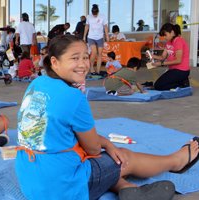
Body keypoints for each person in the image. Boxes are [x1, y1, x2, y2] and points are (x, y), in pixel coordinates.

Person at [15, 35, 199, 200]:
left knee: (99, 156)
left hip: (30, 179)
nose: (83, 64)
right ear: (54, 62)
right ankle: (176, 162)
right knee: (123, 158)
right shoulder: (74, 97)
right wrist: (108, 144)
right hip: (60, 188)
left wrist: (102, 143)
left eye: (86, 57)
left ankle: (126, 187)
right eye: (74, 58)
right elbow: (93, 149)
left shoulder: (37, 83)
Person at [147, 23, 190, 91]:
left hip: (181, 70)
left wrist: (161, 64)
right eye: (163, 36)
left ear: (172, 32)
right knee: (158, 84)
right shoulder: (168, 42)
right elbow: (162, 57)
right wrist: (152, 56)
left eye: (165, 35)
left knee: (158, 86)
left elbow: (178, 60)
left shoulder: (178, 41)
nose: (164, 37)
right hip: (173, 70)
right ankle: (181, 81)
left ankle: (182, 84)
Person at [83, 4, 109, 75]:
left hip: (100, 37)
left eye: (96, 14)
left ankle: (98, 70)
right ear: (92, 12)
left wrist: (107, 36)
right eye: (93, 14)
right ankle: (91, 68)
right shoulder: (88, 16)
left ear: (98, 11)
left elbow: (105, 26)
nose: (94, 15)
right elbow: (87, 26)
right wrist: (84, 36)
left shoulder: (103, 16)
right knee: (94, 52)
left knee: (100, 54)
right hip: (91, 37)